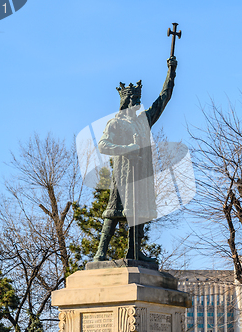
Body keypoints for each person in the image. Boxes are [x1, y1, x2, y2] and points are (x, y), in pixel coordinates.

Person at [93, 56, 177, 262]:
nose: (138, 104)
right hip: (123, 175)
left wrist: (171, 73)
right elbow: (103, 145)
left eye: (139, 101)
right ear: (126, 102)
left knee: (139, 212)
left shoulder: (144, 121)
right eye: (135, 101)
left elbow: (163, 98)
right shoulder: (115, 123)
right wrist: (127, 148)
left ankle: (134, 251)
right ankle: (100, 254)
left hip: (141, 173)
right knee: (114, 211)